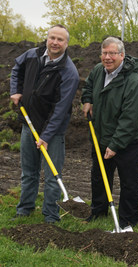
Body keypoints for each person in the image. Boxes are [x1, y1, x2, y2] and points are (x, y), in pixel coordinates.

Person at [9, 24, 79, 223]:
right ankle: (24, 209)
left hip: (53, 132)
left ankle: (50, 215)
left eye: (60, 40)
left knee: (51, 176)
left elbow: (61, 108)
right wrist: (15, 90)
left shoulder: (68, 72)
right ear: (47, 38)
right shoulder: (32, 54)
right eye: (52, 38)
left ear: (66, 43)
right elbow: (16, 68)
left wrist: (46, 136)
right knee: (29, 172)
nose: (55, 42)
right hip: (29, 124)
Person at [81, 36, 138, 230]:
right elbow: (89, 86)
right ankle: (98, 211)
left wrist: (115, 145)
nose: (107, 57)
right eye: (104, 53)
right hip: (101, 133)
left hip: (129, 139)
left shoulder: (133, 81)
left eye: (112, 53)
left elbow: (130, 118)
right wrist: (87, 100)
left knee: (129, 180)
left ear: (122, 55)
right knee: (100, 175)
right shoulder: (98, 71)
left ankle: (128, 220)